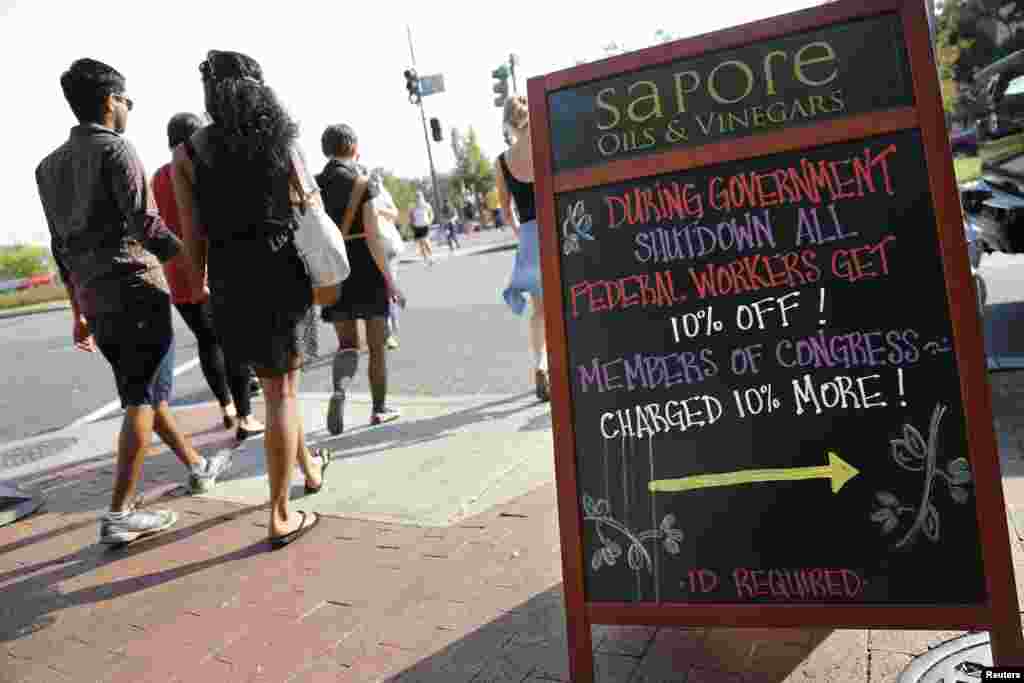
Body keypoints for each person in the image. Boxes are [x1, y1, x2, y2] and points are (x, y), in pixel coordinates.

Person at [35, 58, 232, 546]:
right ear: (110, 101)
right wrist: (194, 264)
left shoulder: (48, 167)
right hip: (136, 289)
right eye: (127, 100)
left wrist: (77, 309)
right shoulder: (117, 149)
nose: (129, 109)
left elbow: (61, 247)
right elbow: (147, 225)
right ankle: (120, 512)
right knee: (142, 397)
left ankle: (198, 465)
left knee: (143, 390)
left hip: (96, 298)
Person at [172, 50, 331, 549]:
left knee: (275, 383)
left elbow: (192, 231)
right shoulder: (282, 138)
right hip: (281, 265)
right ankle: (280, 514)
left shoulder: (188, 154)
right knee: (285, 389)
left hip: (229, 275)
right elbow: (310, 201)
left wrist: (198, 284)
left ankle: (308, 467)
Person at [153, 112, 265, 441]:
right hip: (210, 265)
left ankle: (227, 406)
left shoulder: (158, 177)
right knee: (233, 341)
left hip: (175, 270)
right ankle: (246, 415)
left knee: (208, 340)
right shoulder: (199, 169)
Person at [317, 124, 405, 433]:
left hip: (334, 268)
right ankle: (379, 408)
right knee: (377, 345)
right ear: (354, 147)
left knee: (347, 344)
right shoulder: (361, 182)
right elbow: (372, 235)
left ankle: (340, 391)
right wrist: (390, 280)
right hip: (365, 267)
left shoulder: (315, 185)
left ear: (326, 149)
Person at [495, 95, 549, 402]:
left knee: (539, 311)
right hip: (557, 230)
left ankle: (541, 363)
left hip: (529, 236)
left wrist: (522, 235)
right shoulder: (545, 147)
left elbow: (505, 208)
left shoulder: (502, 161)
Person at [369, 170, 403, 350]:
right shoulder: (360, 193)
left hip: (389, 246)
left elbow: (395, 213)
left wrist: (378, 209)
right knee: (382, 289)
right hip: (371, 246)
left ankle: (391, 328)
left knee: (389, 288)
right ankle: (388, 331)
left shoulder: (382, 193)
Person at [410, 191, 435, 266]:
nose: (418, 197)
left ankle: (431, 257)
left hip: (425, 225)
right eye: (417, 196)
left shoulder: (426, 205)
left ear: (422, 196)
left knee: (426, 241)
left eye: (419, 196)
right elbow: (410, 216)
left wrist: (430, 221)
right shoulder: (413, 207)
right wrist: (412, 223)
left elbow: (431, 214)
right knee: (421, 244)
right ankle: (426, 259)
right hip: (417, 227)